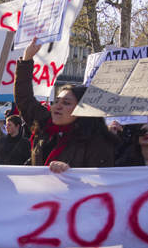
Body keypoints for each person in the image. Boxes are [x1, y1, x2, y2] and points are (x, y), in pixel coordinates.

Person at [16, 37, 115, 172]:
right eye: (57, 101)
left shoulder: (96, 142)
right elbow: (24, 99)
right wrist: (27, 59)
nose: (57, 106)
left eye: (66, 103)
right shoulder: (44, 125)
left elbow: (100, 182)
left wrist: (71, 174)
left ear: (83, 110)